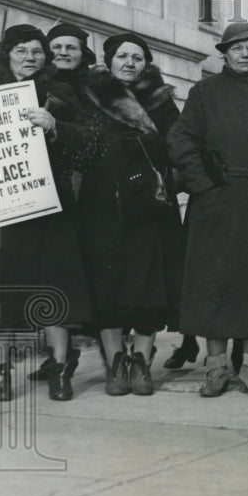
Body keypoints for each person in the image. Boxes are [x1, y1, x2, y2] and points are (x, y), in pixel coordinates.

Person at [0, 24, 101, 401]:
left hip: (50, 207)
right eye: (21, 51)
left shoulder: (61, 93)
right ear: (7, 55)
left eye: (37, 51)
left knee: (55, 288)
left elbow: (90, 145)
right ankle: (0, 372)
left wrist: (56, 127)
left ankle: (60, 371)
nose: (30, 58)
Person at [167, 23, 248, 399]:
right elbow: (180, 139)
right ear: (224, 53)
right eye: (236, 48)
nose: (245, 54)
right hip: (217, 199)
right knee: (214, 282)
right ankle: (216, 367)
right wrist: (202, 184)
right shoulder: (205, 91)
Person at [76, 33, 185, 396]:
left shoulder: (162, 102)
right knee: (108, 286)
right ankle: (115, 363)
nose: (129, 63)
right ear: (108, 61)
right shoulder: (88, 95)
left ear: (146, 64)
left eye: (137, 58)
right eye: (122, 56)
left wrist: (147, 142)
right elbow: (77, 143)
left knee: (147, 285)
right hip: (101, 205)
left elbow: (178, 148)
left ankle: (140, 362)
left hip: (150, 205)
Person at [25, 22, 100, 385]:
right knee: (51, 276)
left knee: (81, 277)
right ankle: (59, 355)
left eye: (72, 47)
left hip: (92, 195)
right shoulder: (32, 87)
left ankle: (115, 357)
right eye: (56, 46)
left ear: (83, 53)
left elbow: (98, 140)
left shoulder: (98, 90)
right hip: (47, 194)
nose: (63, 52)